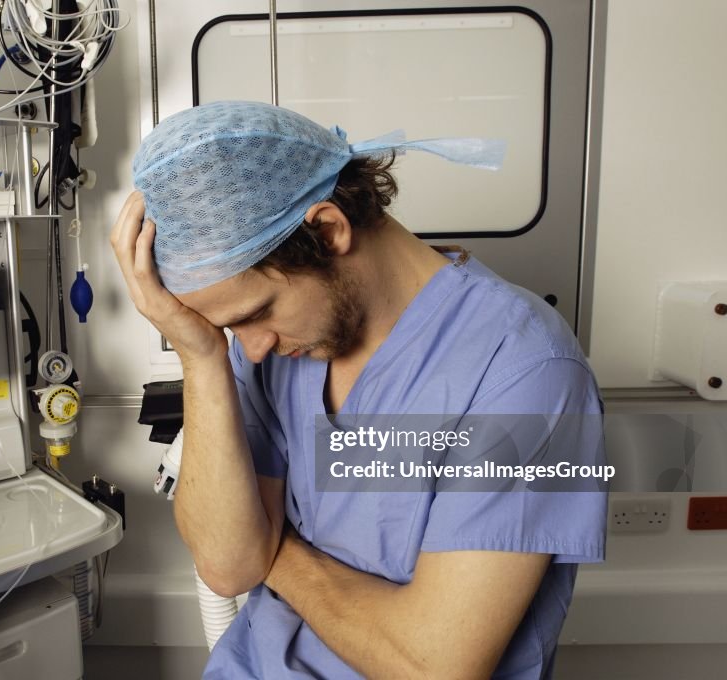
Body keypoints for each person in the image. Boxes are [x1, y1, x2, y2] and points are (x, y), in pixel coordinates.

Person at [110, 100, 606, 679]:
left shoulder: (529, 371)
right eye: (229, 329)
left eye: (257, 313)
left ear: (328, 229)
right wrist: (200, 358)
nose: (252, 347)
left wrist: (275, 551)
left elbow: (434, 667)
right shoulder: (273, 348)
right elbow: (225, 566)